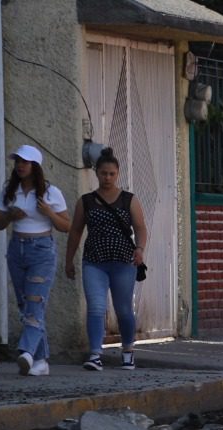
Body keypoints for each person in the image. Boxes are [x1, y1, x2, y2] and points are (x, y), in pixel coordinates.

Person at [0, 145, 70, 376]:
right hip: (17, 248)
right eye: (17, 161)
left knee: (35, 300)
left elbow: (66, 225)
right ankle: (41, 360)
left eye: (25, 162)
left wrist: (49, 213)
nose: (20, 166)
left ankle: (25, 350)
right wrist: (8, 216)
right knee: (26, 305)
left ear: (35, 166)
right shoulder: (9, 189)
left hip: (41, 250)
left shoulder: (50, 191)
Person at [65, 148, 147, 370]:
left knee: (123, 309)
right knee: (96, 307)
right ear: (97, 173)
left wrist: (139, 249)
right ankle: (95, 354)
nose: (107, 178)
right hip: (94, 261)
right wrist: (69, 260)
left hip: (123, 262)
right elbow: (75, 231)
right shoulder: (87, 201)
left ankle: (128, 350)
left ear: (118, 173)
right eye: (103, 173)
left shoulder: (129, 200)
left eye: (111, 174)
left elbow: (140, 228)